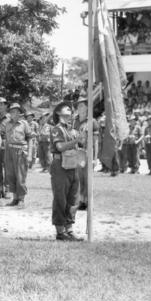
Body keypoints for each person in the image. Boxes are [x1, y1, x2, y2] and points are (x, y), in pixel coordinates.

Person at [50, 102, 85, 241]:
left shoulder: (71, 129)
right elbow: (59, 147)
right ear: (58, 113)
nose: (70, 110)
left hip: (72, 165)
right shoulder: (56, 129)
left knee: (73, 198)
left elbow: (80, 143)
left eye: (71, 109)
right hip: (60, 165)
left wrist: (82, 138)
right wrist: (76, 140)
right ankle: (60, 231)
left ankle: (69, 229)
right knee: (60, 198)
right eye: (67, 108)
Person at [4, 103, 33, 207]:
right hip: (9, 150)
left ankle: (21, 199)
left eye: (16, 111)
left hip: (20, 151)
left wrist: (30, 155)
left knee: (20, 176)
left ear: (19, 112)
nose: (14, 113)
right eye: (12, 111)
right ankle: (15, 198)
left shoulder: (24, 124)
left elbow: (30, 139)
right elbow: (6, 139)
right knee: (11, 175)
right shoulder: (7, 124)